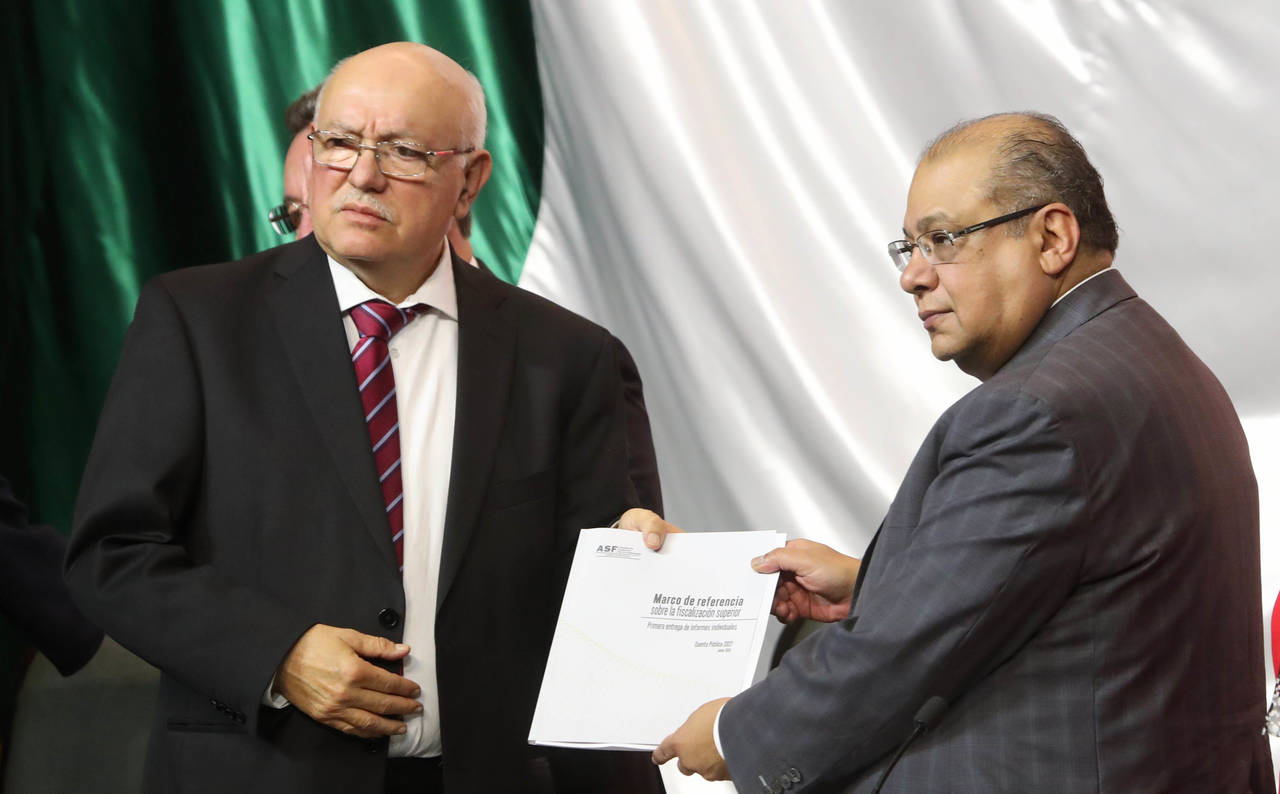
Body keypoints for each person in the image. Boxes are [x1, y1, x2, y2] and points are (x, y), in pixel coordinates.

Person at [67, 42, 663, 793]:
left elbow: (600, 589)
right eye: (340, 142)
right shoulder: (197, 320)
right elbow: (113, 554)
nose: (362, 175)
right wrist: (277, 655)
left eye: (405, 152)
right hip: (262, 773)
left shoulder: (567, 356)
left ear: (470, 179)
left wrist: (644, 564)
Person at [645, 113, 1274, 792]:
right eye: (908, 247)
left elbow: (896, 658)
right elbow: (1087, 591)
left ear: (1052, 237)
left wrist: (733, 734)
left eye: (943, 239)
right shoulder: (1146, 355)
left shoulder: (1037, 410)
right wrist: (871, 585)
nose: (913, 277)